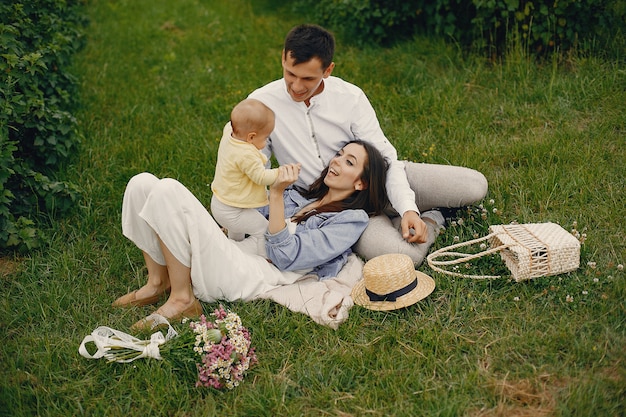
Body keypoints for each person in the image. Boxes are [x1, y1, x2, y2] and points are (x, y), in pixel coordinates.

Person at [246, 24, 488, 264]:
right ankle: (434, 219)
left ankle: (403, 213)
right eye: (290, 74)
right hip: (336, 208)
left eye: (308, 78)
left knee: (475, 186)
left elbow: (385, 158)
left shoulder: (350, 97)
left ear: (328, 70)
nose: (297, 87)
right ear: (283, 59)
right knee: (403, 256)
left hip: (377, 177)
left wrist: (408, 209)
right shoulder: (261, 104)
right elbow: (254, 168)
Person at [112, 140, 389, 329]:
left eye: (349, 162)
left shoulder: (351, 220)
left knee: (168, 189)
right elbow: (245, 219)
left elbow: (285, 257)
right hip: (235, 251)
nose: (337, 161)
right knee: (142, 183)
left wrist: (277, 194)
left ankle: (183, 299)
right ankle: (158, 281)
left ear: (361, 182)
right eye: (339, 154)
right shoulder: (301, 196)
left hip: (248, 275)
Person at [211, 98, 279, 256]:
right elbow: (261, 177)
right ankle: (265, 260)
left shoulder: (230, 132)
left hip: (222, 202)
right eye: (265, 138)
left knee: (237, 232)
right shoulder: (246, 155)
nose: (266, 141)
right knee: (263, 229)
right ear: (251, 137)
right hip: (232, 211)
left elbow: (235, 122)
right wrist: (280, 173)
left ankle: (234, 251)